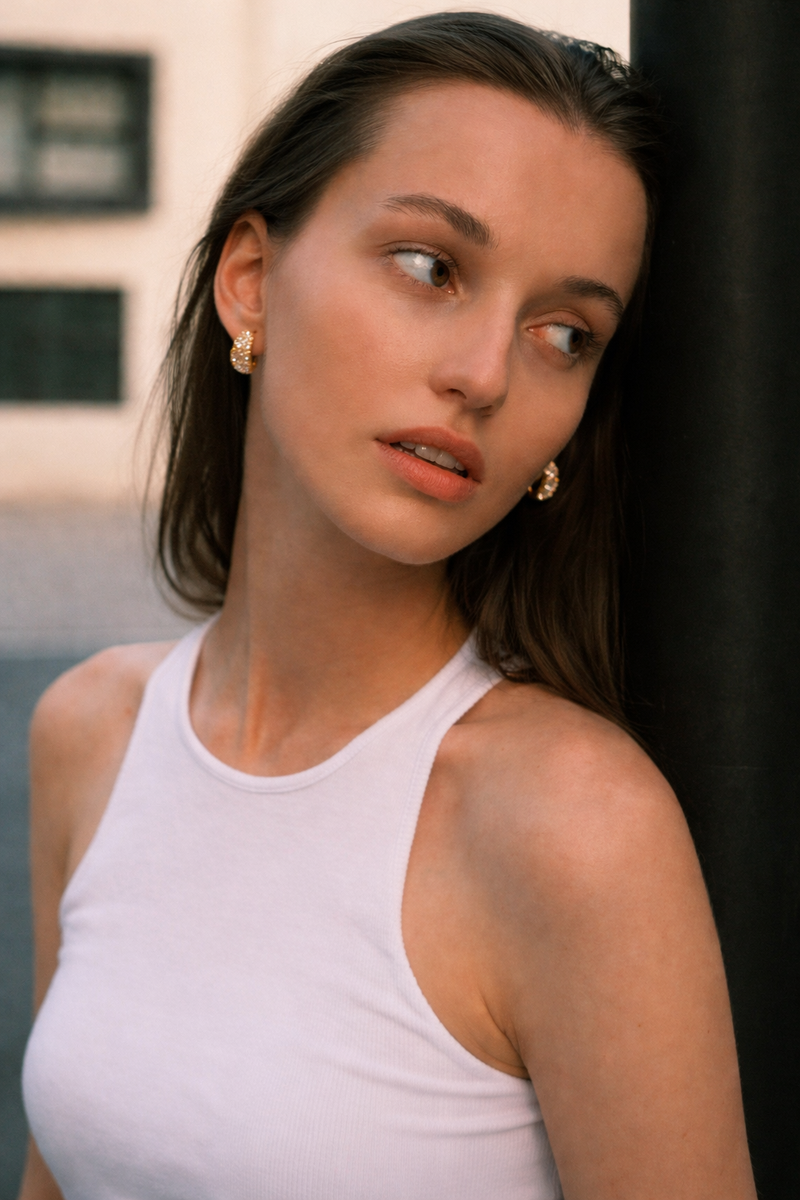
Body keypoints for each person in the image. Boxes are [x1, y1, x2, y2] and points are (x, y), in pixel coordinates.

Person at [19, 13, 757, 1200]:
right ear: (250, 283)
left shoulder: (574, 828)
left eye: (563, 333)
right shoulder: (89, 732)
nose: (485, 373)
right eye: (430, 268)